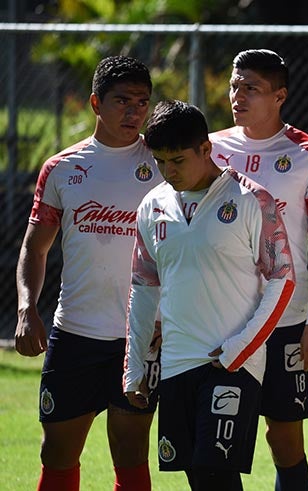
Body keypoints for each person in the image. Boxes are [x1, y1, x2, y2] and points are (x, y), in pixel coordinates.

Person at [123, 99, 296, 491]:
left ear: (206, 149)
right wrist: (135, 368)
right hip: (176, 364)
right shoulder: (152, 206)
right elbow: (143, 288)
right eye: (161, 162)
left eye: (178, 161)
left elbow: (283, 279)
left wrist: (241, 348)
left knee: (215, 474)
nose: (169, 172)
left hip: (231, 363)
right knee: (198, 478)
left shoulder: (253, 199)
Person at [14, 55, 161, 491]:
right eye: (122, 101)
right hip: (75, 333)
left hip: (139, 338)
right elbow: (35, 247)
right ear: (96, 103)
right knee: (55, 453)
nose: (134, 111)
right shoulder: (62, 167)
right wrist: (27, 307)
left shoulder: (163, 165)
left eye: (142, 101)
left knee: (131, 453)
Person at [209, 49, 308, 491]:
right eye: (234, 85)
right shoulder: (211, 148)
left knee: (284, 438)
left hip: (286, 319)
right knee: (220, 436)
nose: (238, 96)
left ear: (279, 96)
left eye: (252, 88)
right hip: (222, 318)